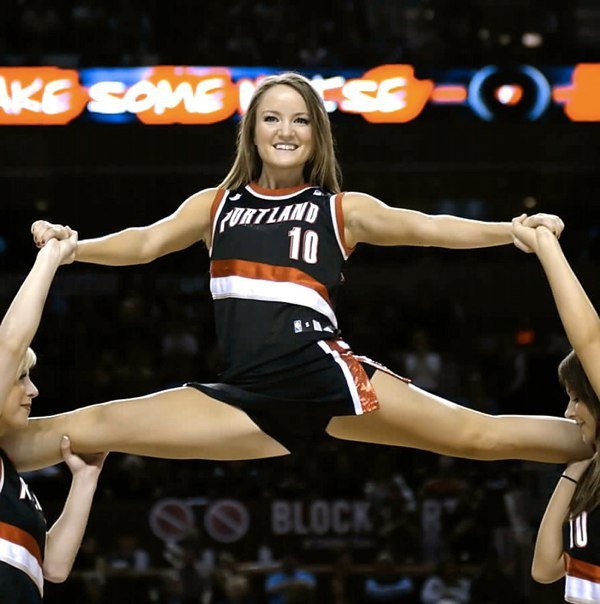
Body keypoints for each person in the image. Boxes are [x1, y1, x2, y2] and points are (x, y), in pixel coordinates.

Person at [8, 72, 591, 472]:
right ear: (253, 131)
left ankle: (588, 440)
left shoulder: (340, 209)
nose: (285, 131)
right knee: (97, 424)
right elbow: (145, 243)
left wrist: (510, 232)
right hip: (247, 397)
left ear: (317, 134)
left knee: (476, 436)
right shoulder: (216, 205)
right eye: (271, 119)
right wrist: (72, 248)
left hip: (325, 377)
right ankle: (7, 450)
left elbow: (427, 226)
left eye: (300, 121)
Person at [0, 231, 107, 602]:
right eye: (21, 378)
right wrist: (51, 256)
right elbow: (10, 342)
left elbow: (54, 568)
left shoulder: (12, 479)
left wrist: (85, 479)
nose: (34, 391)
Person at [513, 222, 600, 603]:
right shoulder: (587, 470)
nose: (568, 411)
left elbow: (589, 338)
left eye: (576, 398)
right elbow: (545, 569)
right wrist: (574, 470)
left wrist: (545, 244)